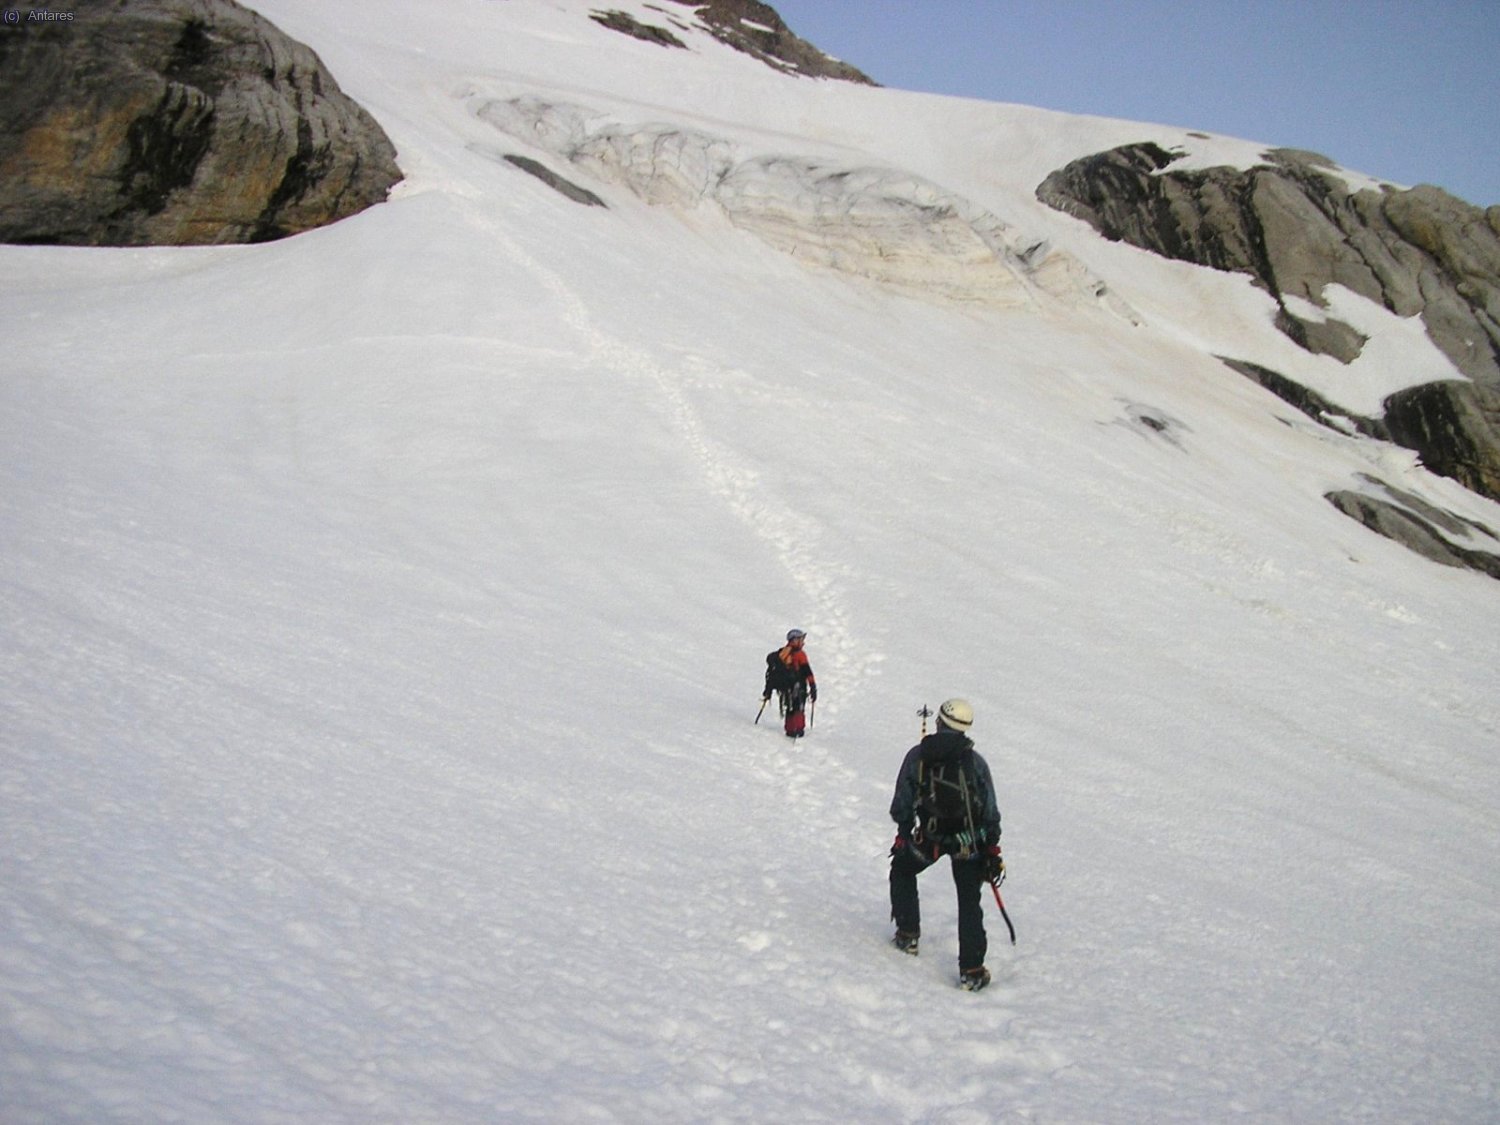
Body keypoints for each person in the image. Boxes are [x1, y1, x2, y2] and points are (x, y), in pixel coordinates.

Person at [887, 697, 1003, 991]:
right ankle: (972, 970)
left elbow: (902, 802)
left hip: (929, 838)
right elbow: (990, 810)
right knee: (969, 900)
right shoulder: (975, 763)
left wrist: (904, 834)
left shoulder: (918, 756)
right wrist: (992, 848)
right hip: (969, 844)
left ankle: (908, 934)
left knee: (903, 869)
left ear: (939, 722)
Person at [762, 629, 817, 738]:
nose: (803, 642)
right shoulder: (800, 654)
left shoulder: (782, 653)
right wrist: (813, 686)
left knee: (789, 707)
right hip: (799, 686)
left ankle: (789, 729)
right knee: (798, 707)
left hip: (786, 687)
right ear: (794, 640)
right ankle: (798, 729)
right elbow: (807, 671)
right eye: (801, 639)